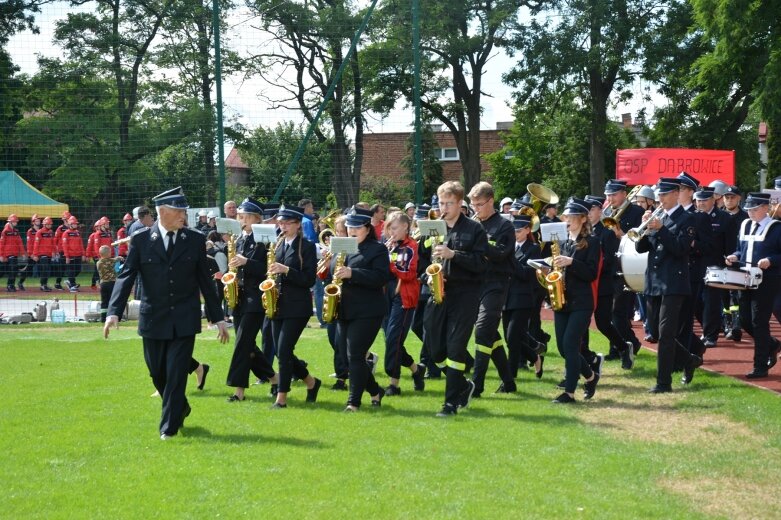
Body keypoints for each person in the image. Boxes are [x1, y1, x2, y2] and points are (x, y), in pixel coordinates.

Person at [104, 187, 229, 439]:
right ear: (163, 212)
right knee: (157, 372)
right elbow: (126, 276)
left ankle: (168, 428)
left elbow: (205, 281)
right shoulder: (140, 240)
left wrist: (218, 318)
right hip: (153, 318)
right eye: (179, 211)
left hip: (185, 318)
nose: (184, 216)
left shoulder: (193, 240)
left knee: (175, 374)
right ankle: (180, 408)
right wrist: (113, 311)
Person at [421, 181, 488, 417]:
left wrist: (454, 255)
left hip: (464, 295)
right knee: (434, 349)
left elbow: (481, 264)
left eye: (449, 203)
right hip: (438, 294)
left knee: (455, 348)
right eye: (441, 202)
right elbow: (424, 261)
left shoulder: (475, 229)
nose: (444, 207)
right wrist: (426, 276)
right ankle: (463, 385)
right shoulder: (434, 228)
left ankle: (449, 404)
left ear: (460, 204)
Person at [636, 178, 696, 393]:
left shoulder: (688, 218)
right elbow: (641, 248)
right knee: (655, 330)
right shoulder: (657, 216)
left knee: (666, 332)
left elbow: (680, 249)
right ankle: (688, 359)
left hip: (674, 282)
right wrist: (643, 229)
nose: (659, 199)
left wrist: (660, 229)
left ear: (676, 193)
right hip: (653, 280)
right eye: (658, 195)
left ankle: (663, 382)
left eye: (663, 194)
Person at [332, 207, 391, 411]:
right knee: (346, 357)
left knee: (355, 354)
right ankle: (375, 391)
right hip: (344, 308)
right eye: (349, 226)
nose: (351, 230)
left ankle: (353, 402)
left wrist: (352, 273)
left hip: (368, 310)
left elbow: (381, 277)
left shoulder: (378, 249)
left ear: (367, 228)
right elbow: (333, 272)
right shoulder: (342, 247)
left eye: (357, 227)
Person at [224, 198, 279, 402]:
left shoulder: (265, 239)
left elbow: (267, 268)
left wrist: (246, 262)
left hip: (256, 298)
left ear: (256, 218)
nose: (242, 220)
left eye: (246, 216)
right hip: (239, 296)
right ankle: (275, 378)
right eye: (240, 216)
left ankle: (238, 390)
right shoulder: (238, 240)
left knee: (241, 344)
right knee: (248, 345)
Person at [269, 204, 322, 408]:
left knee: (283, 350)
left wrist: (286, 270)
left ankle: (281, 397)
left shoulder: (307, 247)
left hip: (297, 306)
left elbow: (308, 280)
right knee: (282, 352)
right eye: (280, 223)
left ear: (298, 224)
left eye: (287, 223)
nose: (282, 226)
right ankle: (311, 382)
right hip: (278, 304)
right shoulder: (278, 244)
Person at [549, 198, 601, 403]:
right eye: (565, 216)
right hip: (562, 299)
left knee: (571, 344)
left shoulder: (593, 241)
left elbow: (591, 273)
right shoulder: (562, 242)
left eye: (571, 216)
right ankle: (590, 376)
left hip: (581, 301)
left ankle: (569, 392)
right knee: (563, 348)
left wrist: (572, 262)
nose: (567, 220)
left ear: (582, 218)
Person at [468, 181, 516, 397]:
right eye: (473, 205)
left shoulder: (504, 225)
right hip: (475, 283)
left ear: (491, 201)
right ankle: (508, 381)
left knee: (482, 331)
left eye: (479, 204)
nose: (476, 209)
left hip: (496, 283)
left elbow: (501, 254)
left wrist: (480, 241)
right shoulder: (472, 223)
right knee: (489, 332)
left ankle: (476, 385)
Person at [725, 192, 781, 379]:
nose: (750, 213)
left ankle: (760, 366)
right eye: (749, 209)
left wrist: (771, 260)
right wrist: (735, 256)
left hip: (767, 281)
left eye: (755, 209)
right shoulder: (745, 225)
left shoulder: (776, 228)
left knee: (759, 321)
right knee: (744, 320)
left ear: (766, 208)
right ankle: (771, 344)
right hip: (745, 278)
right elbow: (741, 250)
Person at [584, 195, 632, 371]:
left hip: (602, 284)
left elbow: (611, 260)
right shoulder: (583, 232)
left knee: (603, 323)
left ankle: (623, 347)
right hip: (586, 284)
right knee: (582, 322)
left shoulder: (606, 231)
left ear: (600, 211)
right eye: (586, 210)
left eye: (592, 210)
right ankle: (587, 357)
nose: (589, 214)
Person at [382, 211, 425, 396]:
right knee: (393, 341)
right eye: (389, 228)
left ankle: (394, 383)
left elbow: (407, 272)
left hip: (404, 296)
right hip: (386, 296)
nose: (391, 232)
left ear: (406, 227)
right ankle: (416, 369)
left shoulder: (412, 246)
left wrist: (389, 260)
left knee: (394, 340)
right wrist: (383, 255)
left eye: (395, 228)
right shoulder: (388, 246)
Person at [603, 179, 645, 360]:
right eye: (608, 195)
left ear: (623, 193)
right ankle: (618, 348)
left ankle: (631, 343)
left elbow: (641, 242)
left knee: (618, 311)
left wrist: (620, 234)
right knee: (611, 312)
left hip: (627, 267)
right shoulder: (607, 212)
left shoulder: (637, 212)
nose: (610, 198)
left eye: (613, 194)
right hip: (610, 266)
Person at [502, 215, 544, 380]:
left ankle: (510, 378)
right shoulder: (508, 247)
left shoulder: (533, 248)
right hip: (506, 297)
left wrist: (510, 259)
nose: (515, 234)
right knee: (510, 338)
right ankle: (535, 357)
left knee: (513, 338)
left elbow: (528, 274)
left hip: (523, 298)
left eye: (519, 231)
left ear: (528, 230)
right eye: (513, 231)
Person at [722, 185, 748, 341]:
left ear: (739, 199)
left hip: (739, 260)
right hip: (721, 259)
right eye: (727, 197)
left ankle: (736, 325)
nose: (729, 200)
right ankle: (727, 324)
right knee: (724, 294)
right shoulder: (720, 216)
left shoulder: (745, 217)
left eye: (732, 197)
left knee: (736, 294)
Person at [0, 214, 25, 292]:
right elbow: (1, 244)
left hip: (14, 254)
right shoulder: (5, 231)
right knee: (9, 270)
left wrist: (23, 253)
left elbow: (20, 242)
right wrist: (1, 255)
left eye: (16, 222)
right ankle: (9, 285)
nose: (16, 223)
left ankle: (11, 285)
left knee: (13, 270)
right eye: (14, 222)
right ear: (10, 222)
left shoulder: (16, 231)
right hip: (7, 254)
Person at [17, 214, 42, 291]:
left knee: (44, 269)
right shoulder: (30, 231)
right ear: (33, 222)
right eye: (36, 220)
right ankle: (20, 282)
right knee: (29, 270)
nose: (38, 222)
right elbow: (29, 244)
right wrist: (31, 255)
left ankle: (43, 284)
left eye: (39, 220)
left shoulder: (42, 231)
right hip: (33, 254)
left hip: (41, 253)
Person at [61, 216, 86, 292]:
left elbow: (81, 244)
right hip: (71, 255)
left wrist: (83, 254)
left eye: (76, 224)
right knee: (71, 271)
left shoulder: (78, 233)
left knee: (78, 270)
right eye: (74, 224)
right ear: (70, 224)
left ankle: (70, 281)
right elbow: (64, 246)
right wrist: (67, 256)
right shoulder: (66, 233)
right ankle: (72, 285)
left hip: (78, 255)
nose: (76, 225)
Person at [32, 217, 56, 291]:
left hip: (49, 254)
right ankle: (43, 285)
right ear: (44, 224)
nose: (49, 226)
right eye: (48, 224)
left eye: (50, 224)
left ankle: (44, 284)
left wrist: (54, 251)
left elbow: (53, 243)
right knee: (44, 270)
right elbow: (36, 244)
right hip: (42, 255)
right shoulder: (39, 232)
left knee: (47, 270)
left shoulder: (51, 232)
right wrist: (35, 254)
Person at [96, 245, 119, 323]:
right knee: (113, 300)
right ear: (109, 253)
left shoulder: (98, 263)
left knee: (104, 301)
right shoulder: (111, 261)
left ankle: (103, 318)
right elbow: (116, 259)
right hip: (112, 283)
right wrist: (120, 258)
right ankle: (113, 316)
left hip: (103, 284)